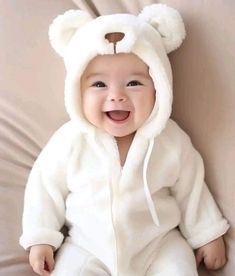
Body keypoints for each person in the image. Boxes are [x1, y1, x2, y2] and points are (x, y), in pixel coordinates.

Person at [19, 4, 229, 276]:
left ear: (159, 87)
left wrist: (207, 233)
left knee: (178, 267)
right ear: (76, 92)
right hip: (87, 246)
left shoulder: (170, 139)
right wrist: (41, 238)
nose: (116, 96)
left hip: (158, 244)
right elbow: (44, 189)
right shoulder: (70, 141)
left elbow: (192, 189)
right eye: (98, 85)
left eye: (133, 83)